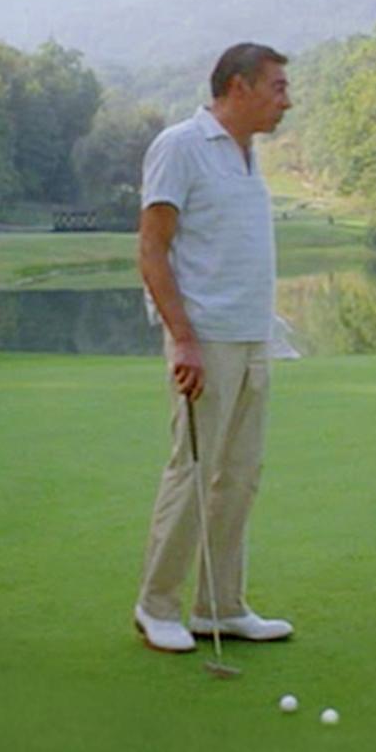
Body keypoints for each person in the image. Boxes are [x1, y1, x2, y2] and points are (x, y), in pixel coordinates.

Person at [132, 43, 294, 653]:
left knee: (241, 476)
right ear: (237, 87)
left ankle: (221, 606)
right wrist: (183, 339)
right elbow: (152, 250)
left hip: (254, 337)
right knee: (194, 471)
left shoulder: (248, 155)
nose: (286, 99)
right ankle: (156, 606)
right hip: (205, 340)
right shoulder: (179, 146)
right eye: (277, 87)